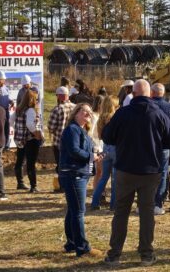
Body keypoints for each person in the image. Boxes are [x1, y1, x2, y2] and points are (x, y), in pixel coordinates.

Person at [102, 79, 170, 266]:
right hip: (150, 170)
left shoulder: (122, 114)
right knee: (147, 212)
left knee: (121, 212)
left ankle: (115, 254)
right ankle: (146, 254)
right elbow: (169, 141)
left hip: (126, 169)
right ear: (150, 94)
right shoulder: (159, 114)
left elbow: (107, 136)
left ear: (132, 94)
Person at [58, 103, 103, 258]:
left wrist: (95, 152)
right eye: (84, 111)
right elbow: (74, 151)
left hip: (79, 173)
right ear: (75, 113)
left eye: (90, 112)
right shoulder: (72, 129)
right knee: (78, 211)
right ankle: (82, 247)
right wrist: (91, 156)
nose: (88, 114)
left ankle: (71, 243)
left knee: (73, 209)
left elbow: (83, 149)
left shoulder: (82, 130)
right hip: (73, 173)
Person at [151, 83, 170, 216]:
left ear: (152, 93)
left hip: (148, 147)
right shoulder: (169, 107)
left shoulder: (148, 105)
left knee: (147, 174)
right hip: (165, 147)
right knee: (162, 174)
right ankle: (158, 203)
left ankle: (146, 202)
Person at [91, 95, 119, 211]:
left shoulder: (100, 118)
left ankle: (95, 202)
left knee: (103, 177)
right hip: (115, 148)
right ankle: (113, 205)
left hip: (105, 148)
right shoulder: (114, 118)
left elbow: (99, 135)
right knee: (115, 180)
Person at [13, 90, 43, 192]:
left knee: (20, 161)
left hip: (21, 139)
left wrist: (19, 129)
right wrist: (37, 134)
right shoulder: (31, 110)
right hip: (31, 139)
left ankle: (20, 182)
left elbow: (11, 121)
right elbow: (30, 125)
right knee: (31, 163)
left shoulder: (18, 110)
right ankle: (33, 186)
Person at [48, 86, 77, 178]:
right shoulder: (76, 107)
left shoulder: (57, 109)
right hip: (74, 141)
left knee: (61, 165)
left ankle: (62, 185)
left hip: (60, 142)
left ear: (59, 96)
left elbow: (51, 127)